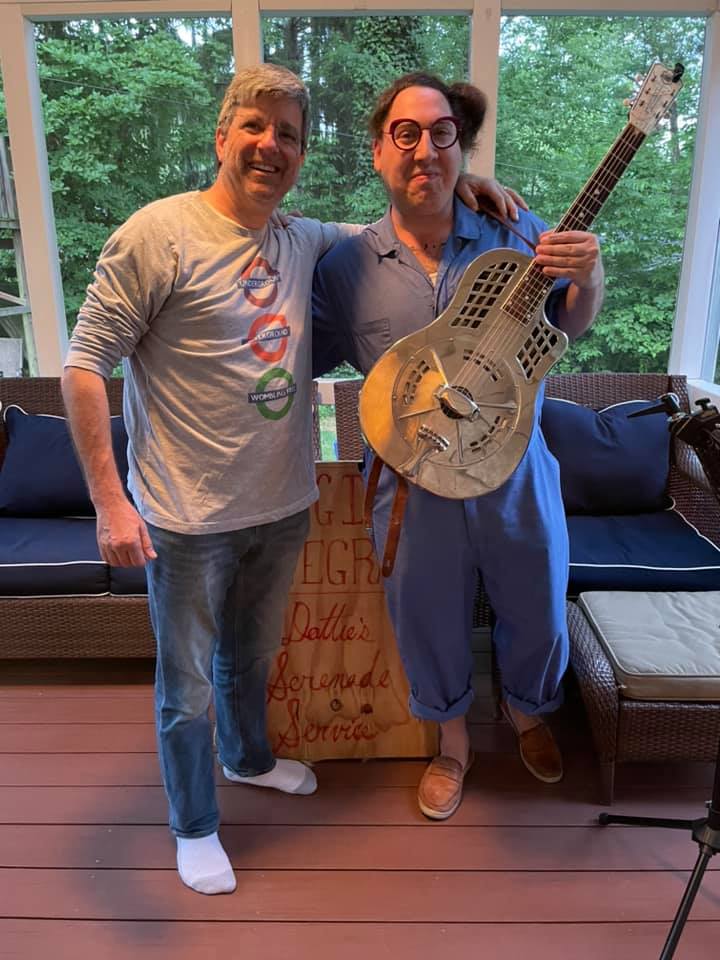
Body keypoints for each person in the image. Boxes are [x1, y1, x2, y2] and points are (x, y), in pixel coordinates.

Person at [61, 63, 522, 894]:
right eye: (255, 126)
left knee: (251, 654)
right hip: (181, 511)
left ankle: (247, 760)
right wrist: (108, 500)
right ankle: (194, 825)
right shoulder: (157, 234)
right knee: (186, 685)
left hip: (280, 501)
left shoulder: (308, 240)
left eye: (289, 134)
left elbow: (406, 216)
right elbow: (84, 366)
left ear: (301, 154)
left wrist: (468, 181)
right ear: (222, 135)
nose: (271, 145)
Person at [312, 72, 604, 820]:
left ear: (461, 149)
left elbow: (566, 328)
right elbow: (295, 353)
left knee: (536, 599)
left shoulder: (513, 229)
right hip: (412, 482)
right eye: (404, 134)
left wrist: (590, 276)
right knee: (425, 611)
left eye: (441, 134)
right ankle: (452, 743)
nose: (423, 150)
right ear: (377, 152)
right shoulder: (344, 268)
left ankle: (528, 712)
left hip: (515, 468)